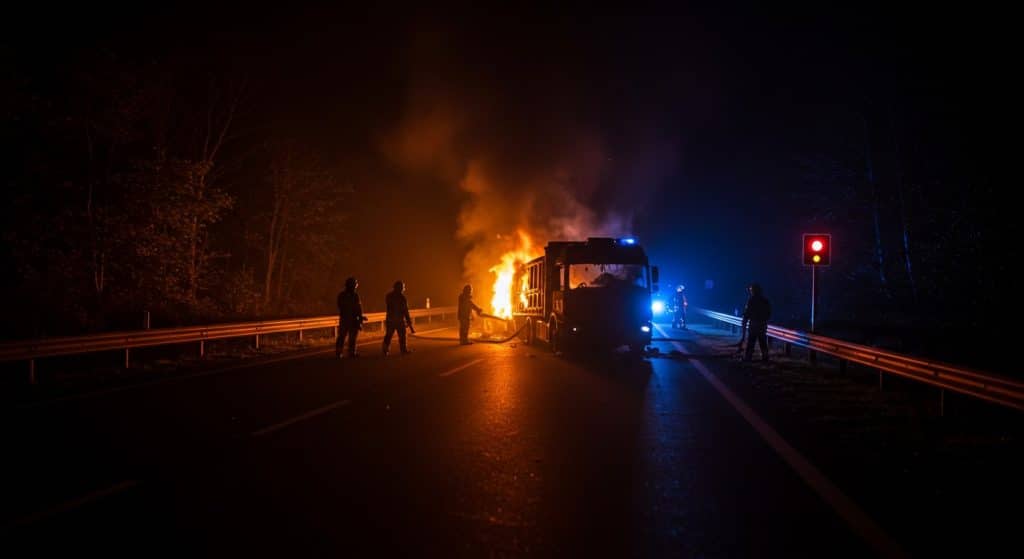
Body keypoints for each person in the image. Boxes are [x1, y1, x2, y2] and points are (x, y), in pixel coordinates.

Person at [383, 280, 415, 356]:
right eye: (402, 287)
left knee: (389, 335)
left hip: (390, 319)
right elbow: (405, 310)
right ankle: (403, 350)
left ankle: (385, 350)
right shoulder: (402, 298)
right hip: (398, 320)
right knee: (402, 335)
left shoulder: (389, 296)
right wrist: (408, 321)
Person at [336, 277, 365, 358]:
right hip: (350, 319)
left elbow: (357, 307)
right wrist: (359, 316)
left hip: (346, 319)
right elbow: (357, 307)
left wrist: (360, 316)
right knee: (347, 336)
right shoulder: (353, 295)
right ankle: (349, 352)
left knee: (345, 336)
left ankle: (341, 352)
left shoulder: (343, 295)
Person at [741, 282, 771, 362]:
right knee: (763, 342)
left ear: (753, 291)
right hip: (762, 325)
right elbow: (769, 313)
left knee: (751, 341)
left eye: (751, 290)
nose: (750, 292)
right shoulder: (765, 301)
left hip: (754, 324)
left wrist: (745, 320)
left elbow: (747, 313)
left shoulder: (751, 300)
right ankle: (765, 357)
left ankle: (748, 357)